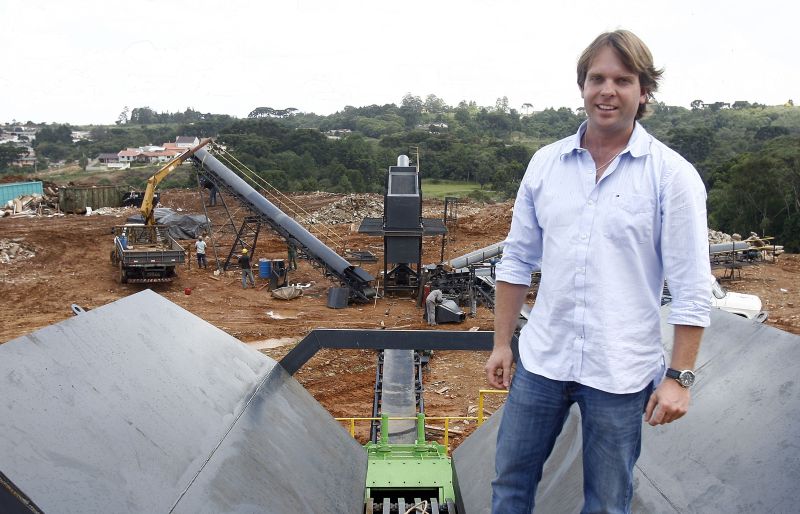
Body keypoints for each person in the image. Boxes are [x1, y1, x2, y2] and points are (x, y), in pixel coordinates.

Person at [485, 30, 711, 513]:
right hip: (543, 361)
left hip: (621, 372)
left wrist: (679, 377)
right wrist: (503, 343)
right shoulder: (546, 164)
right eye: (597, 79)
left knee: (607, 502)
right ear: (583, 86)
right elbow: (517, 260)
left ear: (643, 92)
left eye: (622, 80)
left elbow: (692, 287)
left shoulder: (672, 176)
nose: (607, 91)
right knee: (510, 483)